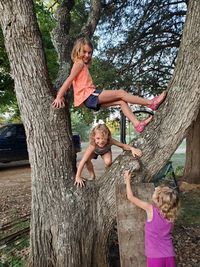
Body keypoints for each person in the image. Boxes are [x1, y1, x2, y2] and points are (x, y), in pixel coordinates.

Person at [52, 37, 167, 133]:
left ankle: (138, 124)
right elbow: (68, 80)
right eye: (84, 52)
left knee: (121, 102)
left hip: (90, 98)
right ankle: (151, 103)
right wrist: (59, 96)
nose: (87, 55)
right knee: (121, 93)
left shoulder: (83, 65)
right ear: (77, 51)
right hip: (90, 96)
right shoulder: (79, 63)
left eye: (90, 52)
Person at [124, 170, 179, 267]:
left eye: (155, 191)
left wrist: (127, 180)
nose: (154, 190)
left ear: (157, 199)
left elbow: (130, 197)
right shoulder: (172, 216)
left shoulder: (150, 209)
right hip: (170, 255)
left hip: (155, 257)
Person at [75, 124, 142, 187]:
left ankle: (107, 171)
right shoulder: (92, 145)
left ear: (108, 137)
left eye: (103, 138)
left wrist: (132, 148)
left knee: (108, 162)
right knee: (86, 160)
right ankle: (92, 175)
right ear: (93, 137)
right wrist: (78, 176)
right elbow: (82, 161)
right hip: (94, 152)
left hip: (105, 151)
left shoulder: (110, 141)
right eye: (98, 138)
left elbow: (122, 145)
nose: (101, 141)